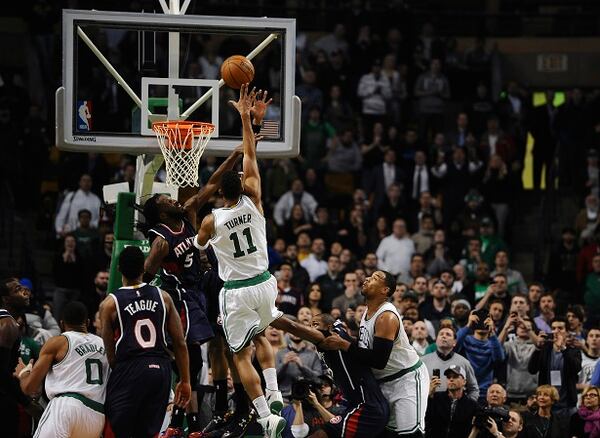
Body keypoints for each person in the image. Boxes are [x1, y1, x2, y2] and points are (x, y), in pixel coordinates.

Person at [194, 85, 324, 438]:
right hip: (265, 284)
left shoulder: (211, 219)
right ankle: (275, 392)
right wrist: (249, 121)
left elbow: (199, 243)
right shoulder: (256, 202)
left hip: (235, 291)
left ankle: (265, 414)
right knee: (264, 336)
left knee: (240, 353)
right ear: (245, 187)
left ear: (220, 193)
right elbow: (250, 154)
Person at [142, 144, 248, 435]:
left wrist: (236, 155)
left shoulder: (188, 213)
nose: (175, 200)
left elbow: (213, 182)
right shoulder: (160, 240)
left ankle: (227, 407)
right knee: (189, 357)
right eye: (167, 200)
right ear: (161, 214)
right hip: (183, 295)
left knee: (221, 344)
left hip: (207, 285)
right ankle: (182, 420)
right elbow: (145, 276)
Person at [320, 270, 429, 437]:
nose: (367, 279)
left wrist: (344, 344)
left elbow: (378, 360)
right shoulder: (367, 311)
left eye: (375, 278)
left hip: (406, 380)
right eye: (369, 276)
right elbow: (365, 347)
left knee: (410, 435)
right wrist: (346, 338)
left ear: (385, 290)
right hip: (384, 381)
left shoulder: (386, 316)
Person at [99, 246, 191, 438]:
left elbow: (109, 351)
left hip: (130, 367)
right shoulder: (163, 297)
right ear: (144, 268)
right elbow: (180, 343)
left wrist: (123, 370)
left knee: (117, 431)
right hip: (160, 369)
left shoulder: (109, 303)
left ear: (118, 269)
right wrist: (185, 380)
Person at [17, 301, 109, 438]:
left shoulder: (58, 342)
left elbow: (29, 388)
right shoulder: (104, 344)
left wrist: (24, 373)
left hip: (66, 407)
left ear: (61, 324)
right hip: (96, 416)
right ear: (88, 322)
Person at [308, 313, 390, 437]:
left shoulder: (335, 336)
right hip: (357, 404)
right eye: (309, 325)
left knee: (321, 434)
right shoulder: (330, 345)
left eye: (315, 324)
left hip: (367, 406)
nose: (311, 328)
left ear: (330, 328)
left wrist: (275, 318)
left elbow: (296, 329)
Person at [0, 278, 41, 436]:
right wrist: (27, 403)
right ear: (6, 299)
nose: (25, 292)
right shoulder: (7, 325)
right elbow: (1, 374)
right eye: (17, 289)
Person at [528, 316, 582, 416]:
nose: (556, 331)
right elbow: (532, 369)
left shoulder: (573, 351)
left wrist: (563, 348)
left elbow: (576, 368)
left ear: (567, 332)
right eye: (553, 328)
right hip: (546, 405)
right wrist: (538, 348)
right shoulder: (545, 350)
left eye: (560, 328)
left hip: (567, 405)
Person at [422, 326, 480, 401]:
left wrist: (467, 406)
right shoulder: (423, 361)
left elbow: (474, 389)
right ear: (436, 340)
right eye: (441, 334)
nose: (444, 336)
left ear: (455, 342)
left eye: (448, 334)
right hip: (430, 408)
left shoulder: (464, 362)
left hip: (456, 408)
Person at [425, 365, 478, 438]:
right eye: (448, 377)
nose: (451, 379)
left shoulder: (471, 405)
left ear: (464, 381)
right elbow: (426, 418)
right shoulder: (436, 398)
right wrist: (429, 394)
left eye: (455, 376)